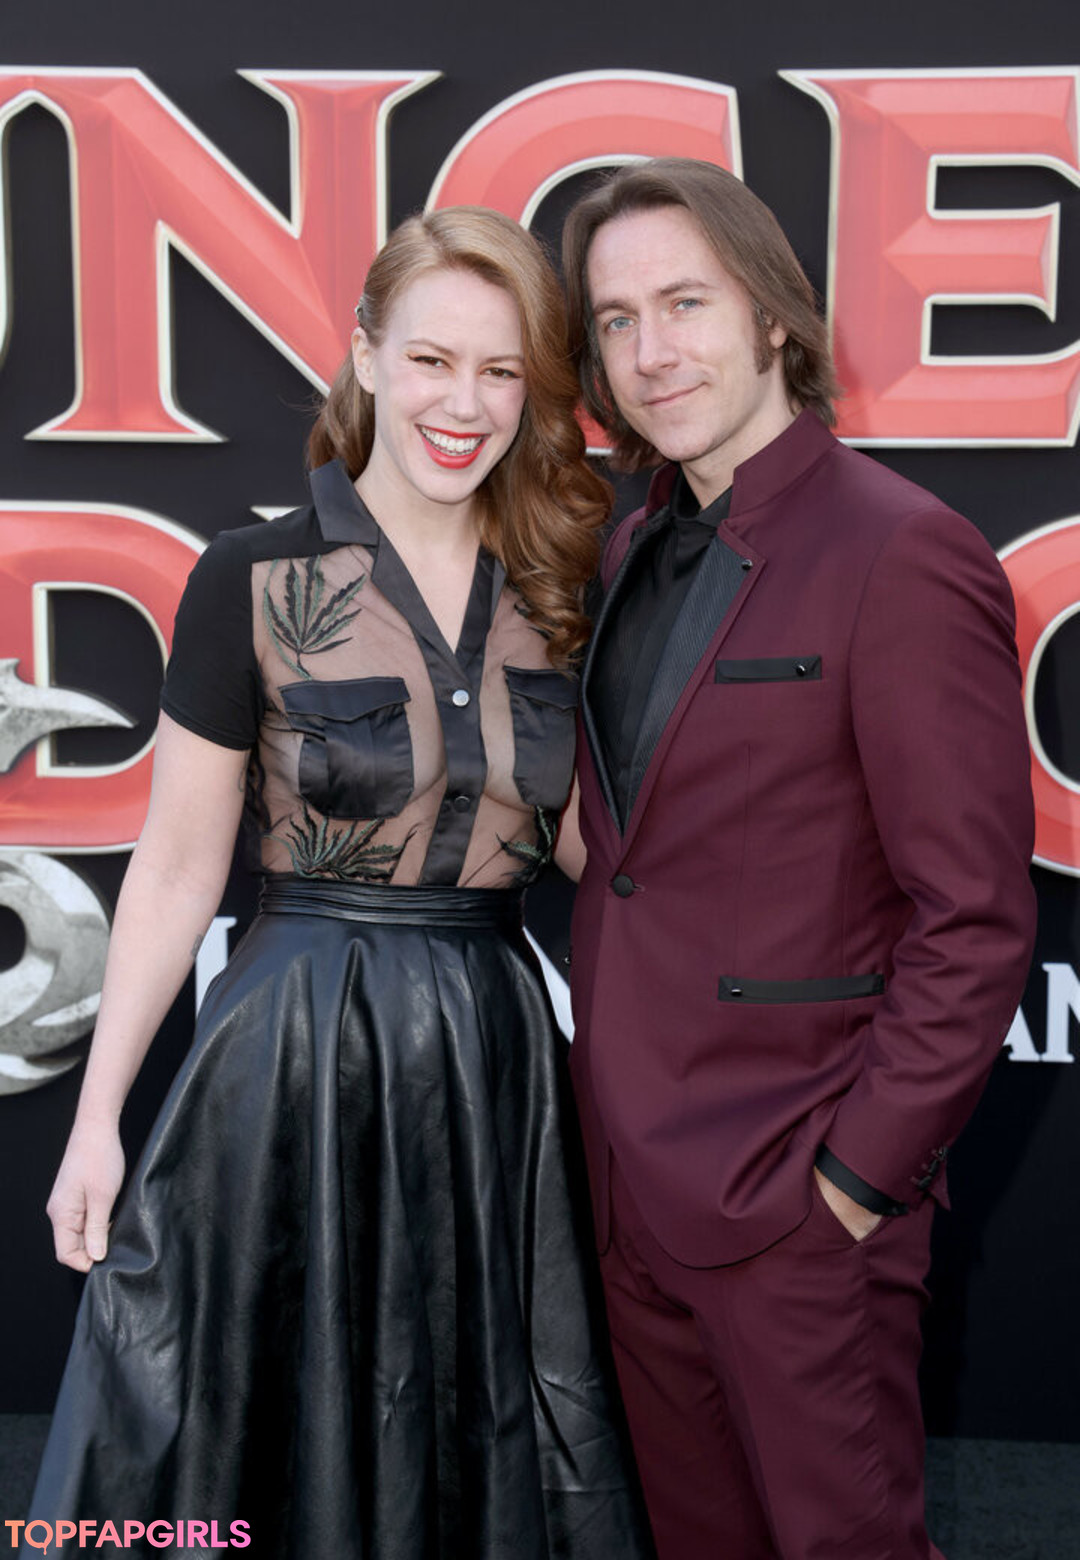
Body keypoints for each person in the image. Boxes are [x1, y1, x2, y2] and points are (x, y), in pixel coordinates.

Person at [25, 207, 652, 1560]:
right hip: (291, 1052)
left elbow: (597, 853)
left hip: (494, 1058)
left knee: (481, 1424)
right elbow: (178, 867)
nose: (463, 405)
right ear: (366, 355)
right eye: (431, 360)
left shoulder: (562, 587)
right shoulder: (250, 579)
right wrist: (97, 1121)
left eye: (501, 372)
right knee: (258, 1416)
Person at [553, 158, 1037, 1560]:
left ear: (773, 313)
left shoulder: (905, 551)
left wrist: (855, 1184)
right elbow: (628, 856)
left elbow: (975, 919)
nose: (652, 351)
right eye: (619, 319)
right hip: (629, 1189)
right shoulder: (628, 547)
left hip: (798, 1200)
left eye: (686, 303)